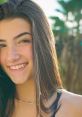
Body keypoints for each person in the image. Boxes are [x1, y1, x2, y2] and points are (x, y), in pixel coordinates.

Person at [0, 0, 82, 117]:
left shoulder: (76, 107)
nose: (11, 57)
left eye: (23, 41)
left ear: (43, 42)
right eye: (2, 45)